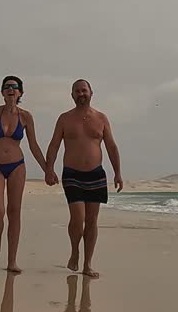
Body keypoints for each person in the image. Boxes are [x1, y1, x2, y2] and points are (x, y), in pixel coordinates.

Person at [45, 79, 122, 278]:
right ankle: (74, 251)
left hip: (96, 174)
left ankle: (87, 264)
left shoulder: (102, 118)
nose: (81, 93)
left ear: (91, 93)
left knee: (92, 220)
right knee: (77, 219)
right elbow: (54, 145)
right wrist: (49, 169)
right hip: (72, 174)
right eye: (77, 91)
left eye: (84, 90)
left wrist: (118, 172)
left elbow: (111, 147)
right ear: (72, 95)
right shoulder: (64, 119)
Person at [0, 75, 49, 273]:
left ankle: (12, 261)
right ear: (2, 92)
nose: (11, 89)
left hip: (18, 166)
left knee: (14, 212)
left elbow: (34, 145)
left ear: (20, 93)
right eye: (7, 87)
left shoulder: (26, 117)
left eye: (15, 87)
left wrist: (47, 170)